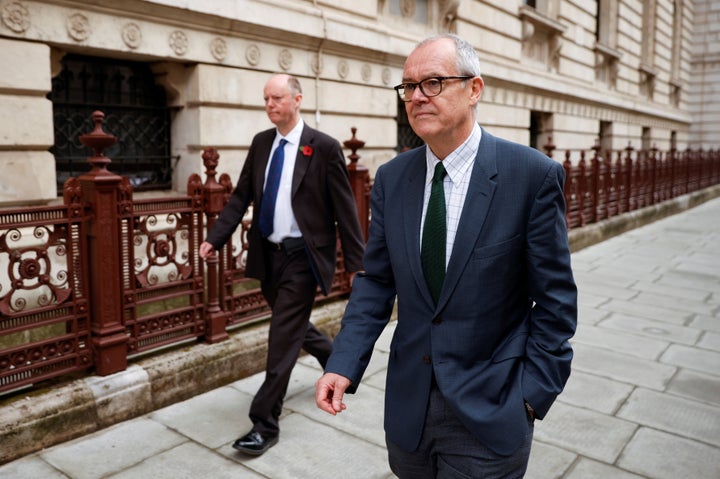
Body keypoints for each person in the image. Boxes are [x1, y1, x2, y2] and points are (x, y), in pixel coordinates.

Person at [315, 34, 577, 478]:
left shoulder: (531, 176)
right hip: (409, 410)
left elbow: (556, 303)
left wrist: (531, 397)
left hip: (492, 411)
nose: (416, 97)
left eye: (433, 82)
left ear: (474, 89)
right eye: (409, 86)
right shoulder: (393, 178)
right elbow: (377, 281)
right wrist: (344, 362)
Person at [200, 73, 364, 456]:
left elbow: (345, 208)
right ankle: (334, 357)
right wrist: (214, 238)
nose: (271, 105)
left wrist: (357, 264)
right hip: (268, 256)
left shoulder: (322, 147)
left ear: (297, 100)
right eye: (266, 99)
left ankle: (264, 422)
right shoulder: (261, 144)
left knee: (281, 341)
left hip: (303, 258)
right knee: (292, 329)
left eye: (277, 98)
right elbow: (241, 196)